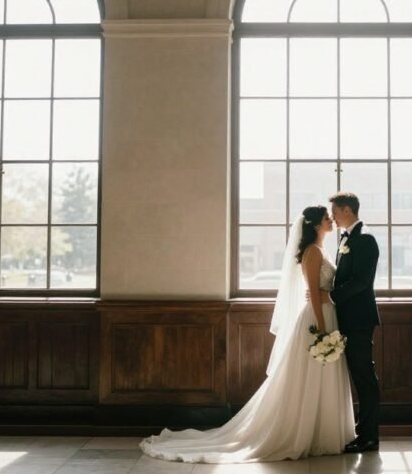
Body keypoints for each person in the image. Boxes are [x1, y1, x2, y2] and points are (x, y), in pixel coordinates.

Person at [140, 205, 354, 463]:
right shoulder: (311, 252)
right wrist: (321, 329)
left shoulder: (322, 250)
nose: (331, 220)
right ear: (315, 225)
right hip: (317, 318)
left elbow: (322, 291)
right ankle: (303, 432)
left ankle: (322, 432)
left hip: (328, 315)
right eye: (326, 218)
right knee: (308, 376)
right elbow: (312, 292)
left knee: (322, 375)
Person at [328, 191, 381, 453]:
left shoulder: (366, 239)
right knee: (358, 376)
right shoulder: (346, 239)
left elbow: (362, 281)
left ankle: (369, 437)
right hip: (347, 318)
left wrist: (330, 296)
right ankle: (362, 433)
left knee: (364, 377)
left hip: (360, 319)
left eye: (335, 213)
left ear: (347, 210)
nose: (333, 218)